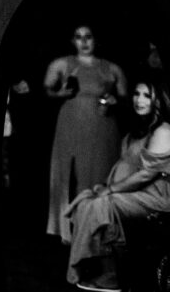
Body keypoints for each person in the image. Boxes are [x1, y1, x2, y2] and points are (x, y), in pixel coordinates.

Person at [64, 75, 170, 291]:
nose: (139, 100)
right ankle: (101, 268)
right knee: (89, 200)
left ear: (158, 100)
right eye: (136, 94)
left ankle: (107, 274)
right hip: (139, 194)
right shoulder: (138, 130)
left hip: (159, 198)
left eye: (146, 96)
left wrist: (110, 190)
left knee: (104, 203)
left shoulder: (164, 130)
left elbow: (145, 175)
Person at [44, 24, 128, 242]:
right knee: (72, 172)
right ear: (73, 40)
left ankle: (100, 225)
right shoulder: (63, 63)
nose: (84, 41)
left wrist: (114, 101)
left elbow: (125, 96)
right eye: (79, 37)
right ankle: (71, 229)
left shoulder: (110, 67)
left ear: (95, 40)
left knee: (101, 170)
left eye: (88, 36)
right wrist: (59, 92)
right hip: (72, 123)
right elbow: (47, 89)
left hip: (103, 123)